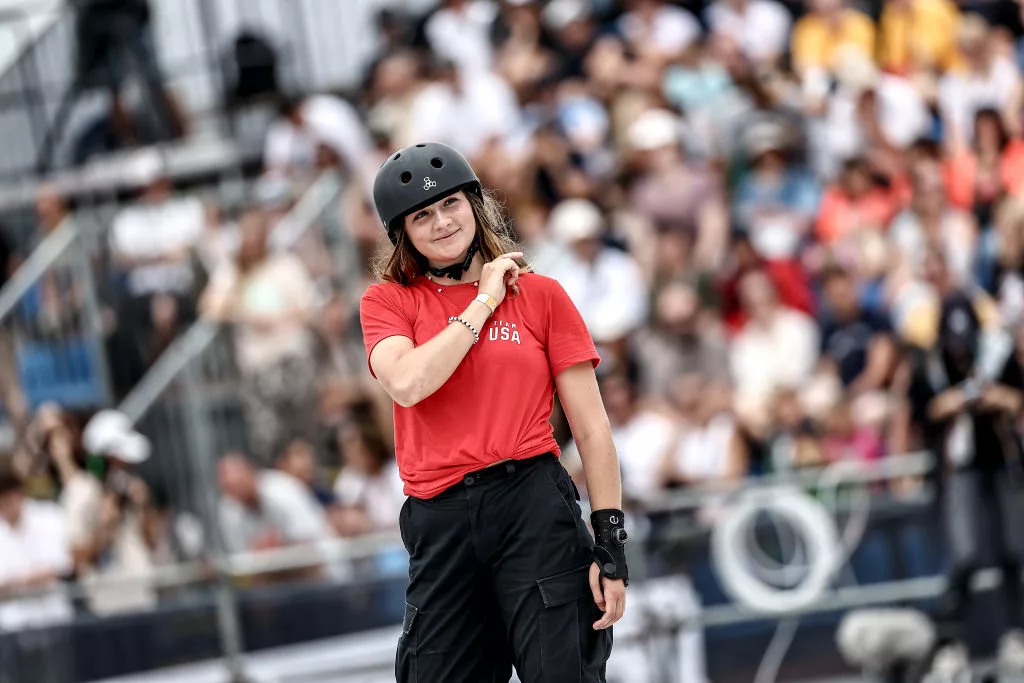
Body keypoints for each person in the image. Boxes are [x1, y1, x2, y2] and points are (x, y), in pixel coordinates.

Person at [359, 142, 627, 683]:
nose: (441, 223)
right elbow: (409, 383)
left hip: (532, 503)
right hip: (440, 518)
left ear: (475, 205)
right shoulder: (388, 302)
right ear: (402, 233)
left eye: (451, 204)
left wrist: (610, 543)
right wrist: (482, 301)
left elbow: (593, 429)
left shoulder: (542, 296)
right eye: (422, 216)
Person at [906, 292, 1024, 680]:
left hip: (1000, 464)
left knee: (1014, 549)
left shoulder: (996, 358)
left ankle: (1017, 636)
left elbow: (1016, 399)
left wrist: (995, 398)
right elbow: (923, 413)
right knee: (964, 556)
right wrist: (955, 402)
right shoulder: (930, 367)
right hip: (958, 470)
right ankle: (952, 643)